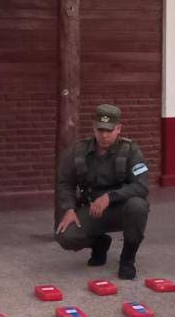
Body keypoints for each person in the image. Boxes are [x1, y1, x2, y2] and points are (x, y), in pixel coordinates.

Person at [54, 104, 150, 280]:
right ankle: (99, 243)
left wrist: (109, 197)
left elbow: (142, 186)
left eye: (109, 130)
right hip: (92, 209)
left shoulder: (130, 151)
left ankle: (127, 259)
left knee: (138, 205)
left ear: (118, 129)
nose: (104, 135)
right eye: (100, 130)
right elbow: (65, 182)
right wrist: (69, 209)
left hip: (122, 209)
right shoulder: (78, 151)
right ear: (93, 128)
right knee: (64, 235)